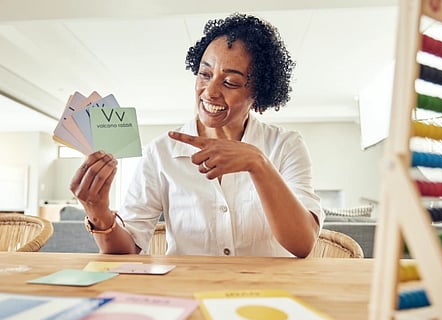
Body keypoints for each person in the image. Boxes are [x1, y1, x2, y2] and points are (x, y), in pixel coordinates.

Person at [70, 13, 324, 258]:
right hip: (187, 291)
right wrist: (98, 213)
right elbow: (127, 249)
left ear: (259, 93)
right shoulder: (161, 152)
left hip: (265, 294)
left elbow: (303, 245)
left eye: (230, 82)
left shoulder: (286, 145)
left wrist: (258, 164)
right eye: (205, 74)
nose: (209, 91)